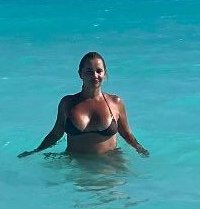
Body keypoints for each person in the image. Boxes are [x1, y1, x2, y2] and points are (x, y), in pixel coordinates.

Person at [19, 51, 149, 159]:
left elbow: (126, 134)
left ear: (105, 73)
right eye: (89, 71)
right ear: (80, 74)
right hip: (76, 165)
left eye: (99, 71)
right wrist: (36, 151)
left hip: (110, 164)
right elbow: (56, 134)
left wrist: (140, 149)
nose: (95, 76)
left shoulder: (115, 102)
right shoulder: (68, 103)